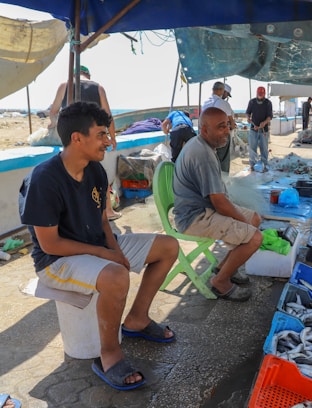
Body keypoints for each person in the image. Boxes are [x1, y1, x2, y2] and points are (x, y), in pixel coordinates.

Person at [19, 102, 179, 390]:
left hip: (96, 246)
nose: (109, 140)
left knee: (168, 246)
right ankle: (109, 354)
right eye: (102, 134)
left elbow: (103, 220)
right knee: (116, 276)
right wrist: (104, 254)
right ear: (77, 138)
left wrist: (115, 251)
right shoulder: (45, 179)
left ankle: (137, 320)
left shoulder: (95, 171)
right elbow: (49, 243)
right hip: (55, 261)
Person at [173, 107, 263, 302]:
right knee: (255, 238)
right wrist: (242, 223)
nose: (227, 131)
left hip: (206, 208)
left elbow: (219, 200)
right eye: (221, 127)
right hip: (194, 217)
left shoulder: (203, 145)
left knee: (255, 218)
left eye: (228, 125)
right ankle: (220, 282)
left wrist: (243, 220)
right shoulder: (202, 155)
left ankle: (224, 267)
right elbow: (219, 203)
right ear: (204, 130)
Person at [48, 65, 122, 221]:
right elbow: (107, 116)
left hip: (72, 139)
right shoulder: (98, 88)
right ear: (88, 75)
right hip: (92, 138)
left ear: (75, 74)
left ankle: (76, 215)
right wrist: (112, 137)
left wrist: (56, 125)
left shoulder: (64, 85)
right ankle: (107, 210)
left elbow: (53, 112)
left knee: (72, 173)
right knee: (98, 173)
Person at [202, 81, 236, 173]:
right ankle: (223, 180)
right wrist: (232, 127)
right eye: (226, 94)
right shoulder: (223, 104)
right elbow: (232, 123)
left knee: (210, 159)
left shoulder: (205, 103)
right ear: (222, 91)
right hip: (220, 135)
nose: (226, 97)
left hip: (207, 135)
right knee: (223, 159)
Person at [245, 86, 273, 172]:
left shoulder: (268, 103)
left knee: (264, 148)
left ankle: (265, 165)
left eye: (262, 94)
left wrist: (264, 123)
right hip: (253, 129)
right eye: (259, 94)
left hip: (264, 130)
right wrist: (248, 118)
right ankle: (252, 165)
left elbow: (270, 116)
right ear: (257, 94)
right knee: (252, 148)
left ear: (264, 94)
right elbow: (247, 112)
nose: (260, 96)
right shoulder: (252, 102)